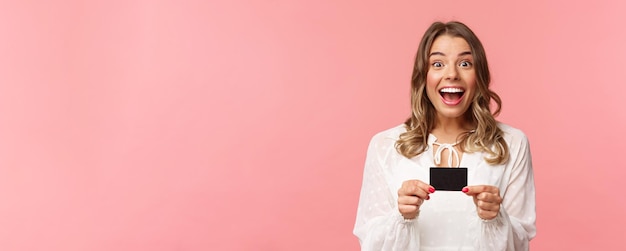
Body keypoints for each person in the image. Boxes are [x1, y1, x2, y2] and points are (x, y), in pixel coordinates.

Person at [353, 21, 536, 250]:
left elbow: (521, 244)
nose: (452, 74)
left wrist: (496, 219)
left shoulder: (512, 143)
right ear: (424, 75)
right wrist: (401, 217)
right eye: (438, 63)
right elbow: (369, 244)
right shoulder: (385, 146)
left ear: (479, 75)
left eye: (465, 63)